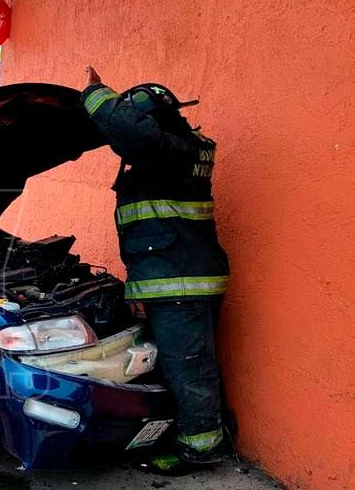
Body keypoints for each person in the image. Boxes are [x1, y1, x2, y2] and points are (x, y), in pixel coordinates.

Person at [82, 66, 230, 476]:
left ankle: (199, 450)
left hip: (179, 279)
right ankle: (203, 430)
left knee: (189, 367)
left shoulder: (165, 149)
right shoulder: (183, 148)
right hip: (184, 275)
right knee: (192, 363)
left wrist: (94, 93)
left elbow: (134, 133)